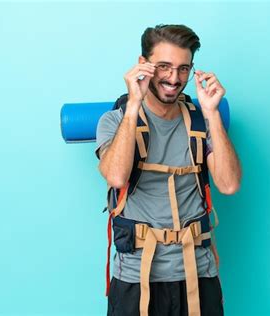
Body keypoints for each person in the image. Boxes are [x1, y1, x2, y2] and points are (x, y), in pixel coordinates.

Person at [95, 24, 241, 316]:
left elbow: (228, 185)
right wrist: (134, 103)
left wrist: (212, 113)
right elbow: (116, 176)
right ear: (143, 65)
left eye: (183, 68)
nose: (174, 79)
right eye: (164, 67)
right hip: (136, 277)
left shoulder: (201, 122)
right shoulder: (114, 121)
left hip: (198, 275)